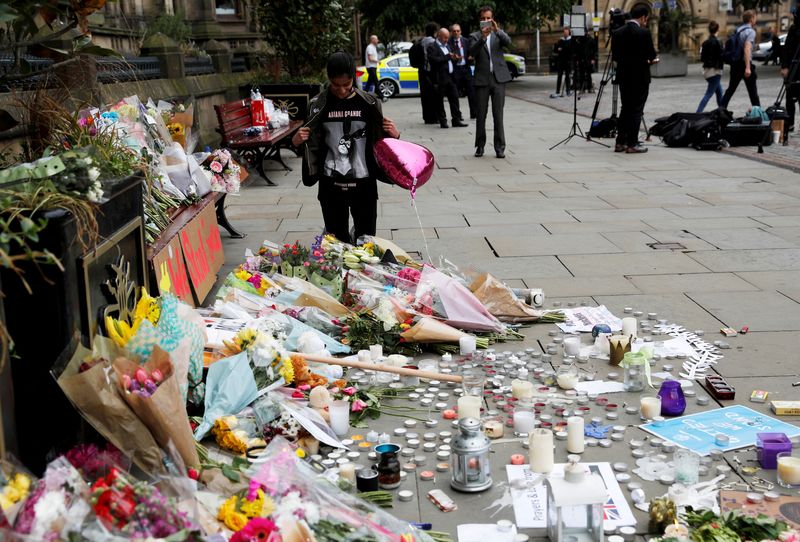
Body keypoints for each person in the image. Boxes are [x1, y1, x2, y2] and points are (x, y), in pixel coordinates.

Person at [291, 51, 400, 244]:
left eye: (346, 85)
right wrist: (296, 141)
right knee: (336, 243)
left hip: (364, 185)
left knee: (366, 242)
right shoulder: (317, 105)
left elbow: (381, 143)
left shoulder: (370, 103)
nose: (341, 91)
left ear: (354, 78)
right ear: (328, 79)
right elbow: (311, 145)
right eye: (335, 85)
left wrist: (395, 135)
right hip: (330, 186)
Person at [611, 4, 659, 154]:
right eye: (646, 19)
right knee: (636, 110)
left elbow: (616, 57)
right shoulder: (644, 33)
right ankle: (632, 143)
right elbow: (651, 55)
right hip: (639, 77)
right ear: (643, 17)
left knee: (625, 108)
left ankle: (620, 142)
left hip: (624, 77)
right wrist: (649, 60)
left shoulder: (617, 32)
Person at [469, 5, 512, 158]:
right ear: (479, 20)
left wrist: (497, 30)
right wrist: (483, 37)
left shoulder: (498, 34)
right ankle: (480, 146)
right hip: (482, 80)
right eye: (483, 18)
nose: (486, 21)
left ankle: (499, 147)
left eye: (488, 18)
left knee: (498, 115)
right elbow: (471, 52)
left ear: (492, 19)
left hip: (499, 79)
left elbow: (508, 42)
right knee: (481, 115)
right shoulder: (474, 36)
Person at [427, 28, 468, 128]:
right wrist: (448, 57)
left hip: (450, 77)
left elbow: (449, 59)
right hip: (439, 79)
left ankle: (456, 119)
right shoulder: (432, 47)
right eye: (445, 38)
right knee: (439, 101)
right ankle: (443, 121)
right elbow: (434, 60)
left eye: (447, 37)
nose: (446, 39)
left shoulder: (447, 46)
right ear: (439, 36)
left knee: (454, 98)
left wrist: (455, 58)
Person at [720, 11, 761, 109]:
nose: (756, 19)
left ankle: (720, 110)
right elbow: (747, 48)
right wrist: (747, 67)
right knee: (753, 92)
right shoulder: (750, 31)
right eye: (755, 17)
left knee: (731, 89)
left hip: (735, 64)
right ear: (751, 19)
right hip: (744, 63)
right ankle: (759, 113)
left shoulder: (738, 30)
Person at [449, 23, 476, 119]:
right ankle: (457, 115)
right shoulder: (448, 42)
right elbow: (447, 55)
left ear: (460, 31)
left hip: (466, 68)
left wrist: (471, 57)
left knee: (472, 91)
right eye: (454, 31)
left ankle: (474, 113)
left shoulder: (466, 41)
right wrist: (453, 58)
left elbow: (471, 53)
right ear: (451, 32)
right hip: (455, 70)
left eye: (458, 31)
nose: (456, 33)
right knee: (455, 94)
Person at [697, 21, 725, 112]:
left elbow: (702, 58)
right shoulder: (718, 42)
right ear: (718, 29)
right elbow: (722, 55)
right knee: (708, 94)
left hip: (707, 70)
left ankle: (722, 111)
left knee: (719, 92)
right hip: (715, 71)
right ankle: (698, 113)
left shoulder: (705, 43)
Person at [782, 11, 800, 133]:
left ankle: (790, 123)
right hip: (793, 67)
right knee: (790, 97)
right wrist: (785, 66)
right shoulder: (793, 29)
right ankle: (790, 123)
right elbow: (787, 48)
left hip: (794, 67)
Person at [419, 22, 440, 124]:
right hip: (430, 71)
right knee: (433, 95)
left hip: (422, 71)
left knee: (425, 96)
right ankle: (434, 117)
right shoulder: (432, 41)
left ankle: (427, 117)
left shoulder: (421, 41)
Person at [551, 27, 572, 98]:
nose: (565, 33)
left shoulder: (571, 40)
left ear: (569, 32)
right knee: (559, 76)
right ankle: (557, 91)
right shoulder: (560, 40)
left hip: (568, 61)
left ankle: (568, 90)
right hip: (561, 61)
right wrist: (558, 49)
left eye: (566, 32)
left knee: (567, 76)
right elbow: (555, 49)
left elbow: (572, 50)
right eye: (564, 32)